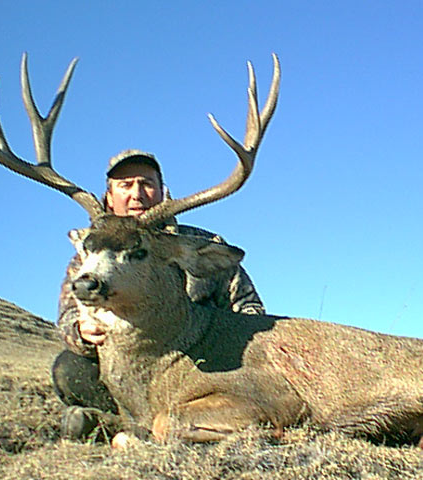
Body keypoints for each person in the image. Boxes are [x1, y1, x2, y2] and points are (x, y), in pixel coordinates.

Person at [51, 149, 265, 439]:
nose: (137, 194)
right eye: (125, 185)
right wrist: (81, 331)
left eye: (146, 183)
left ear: (163, 193)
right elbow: (67, 320)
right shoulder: (87, 258)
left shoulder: (200, 244)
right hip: (131, 367)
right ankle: (135, 424)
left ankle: (167, 427)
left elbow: (248, 308)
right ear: (109, 197)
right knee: (70, 369)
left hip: (202, 367)